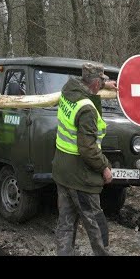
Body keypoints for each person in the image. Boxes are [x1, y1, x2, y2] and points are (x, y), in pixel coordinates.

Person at [52, 62, 118, 256]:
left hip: (62, 171)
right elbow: (88, 149)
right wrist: (105, 167)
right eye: (102, 81)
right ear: (96, 83)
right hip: (80, 176)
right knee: (95, 222)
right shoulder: (87, 109)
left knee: (65, 221)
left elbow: (86, 89)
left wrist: (104, 85)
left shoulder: (68, 91)